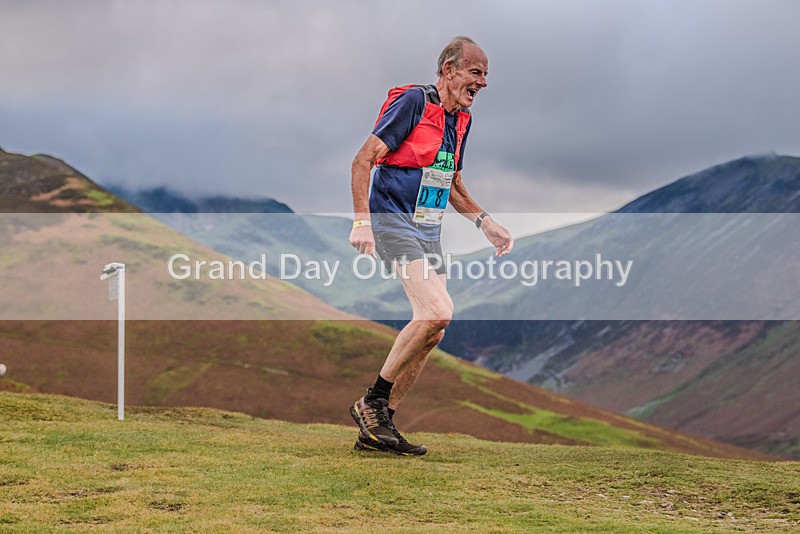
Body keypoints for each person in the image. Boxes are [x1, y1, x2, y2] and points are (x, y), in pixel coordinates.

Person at [348, 36, 513, 456]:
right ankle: (371, 403)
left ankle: (379, 428)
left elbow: (452, 183)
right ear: (449, 70)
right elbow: (363, 159)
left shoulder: (462, 120)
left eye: (486, 75)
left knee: (434, 331)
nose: (483, 82)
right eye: (475, 72)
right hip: (392, 221)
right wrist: (362, 222)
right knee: (437, 310)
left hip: (428, 231)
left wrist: (485, 222)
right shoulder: (414, 103)